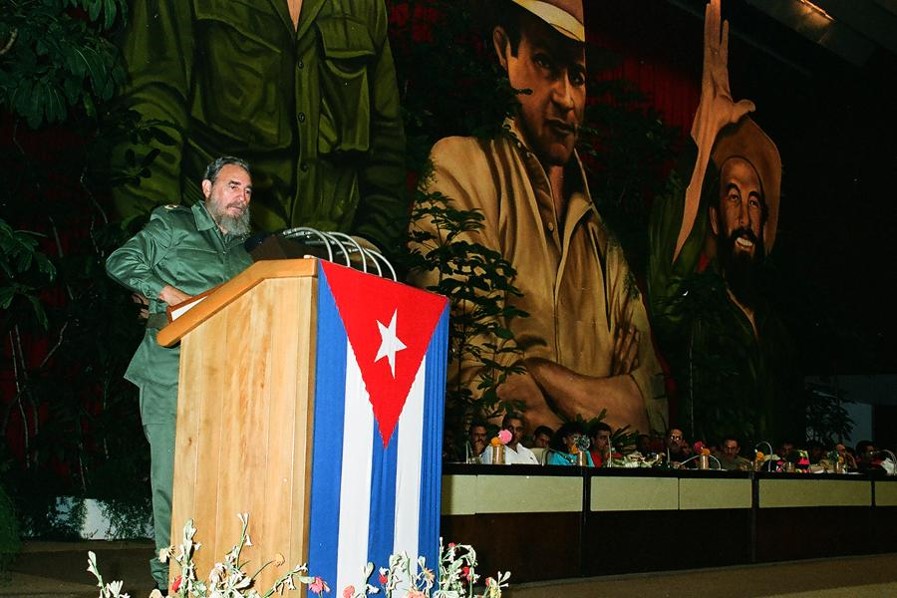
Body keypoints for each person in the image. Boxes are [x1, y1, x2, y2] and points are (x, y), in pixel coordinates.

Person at [409, 0, 666, 437]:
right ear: (505, 51)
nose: (567, 98)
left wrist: (537, 368)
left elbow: (650, 415)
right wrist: (597, 400)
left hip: (595, 500)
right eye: (546, 63)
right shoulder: (461, 168)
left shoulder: (604, 245)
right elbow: (472, 369)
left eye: (578, 77)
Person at [113, 0, 407, 254]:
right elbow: (149, 115)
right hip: (215, 261)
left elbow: (386, 140)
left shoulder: (365, 5)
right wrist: (159, 254)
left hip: (332, 269)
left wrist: (372, 241)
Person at [647, 0, 801, 447]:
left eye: (755, 202)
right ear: (713, 217)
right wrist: (704, 129)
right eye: (732, 197)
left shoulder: (779, 331)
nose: (745, 214)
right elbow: (665, 278)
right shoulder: (698, 317)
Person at [106, 156, 255, 591]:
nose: (241, 198)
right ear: (207, 188)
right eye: (232, 186)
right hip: (171, 365)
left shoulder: (246, 260)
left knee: (220, 479)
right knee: (174, 479)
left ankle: (216, 574)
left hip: (224, 374)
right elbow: (121, 260)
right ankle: (172, 580)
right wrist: (169, 294)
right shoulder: (173, 227)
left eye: (247, 192)